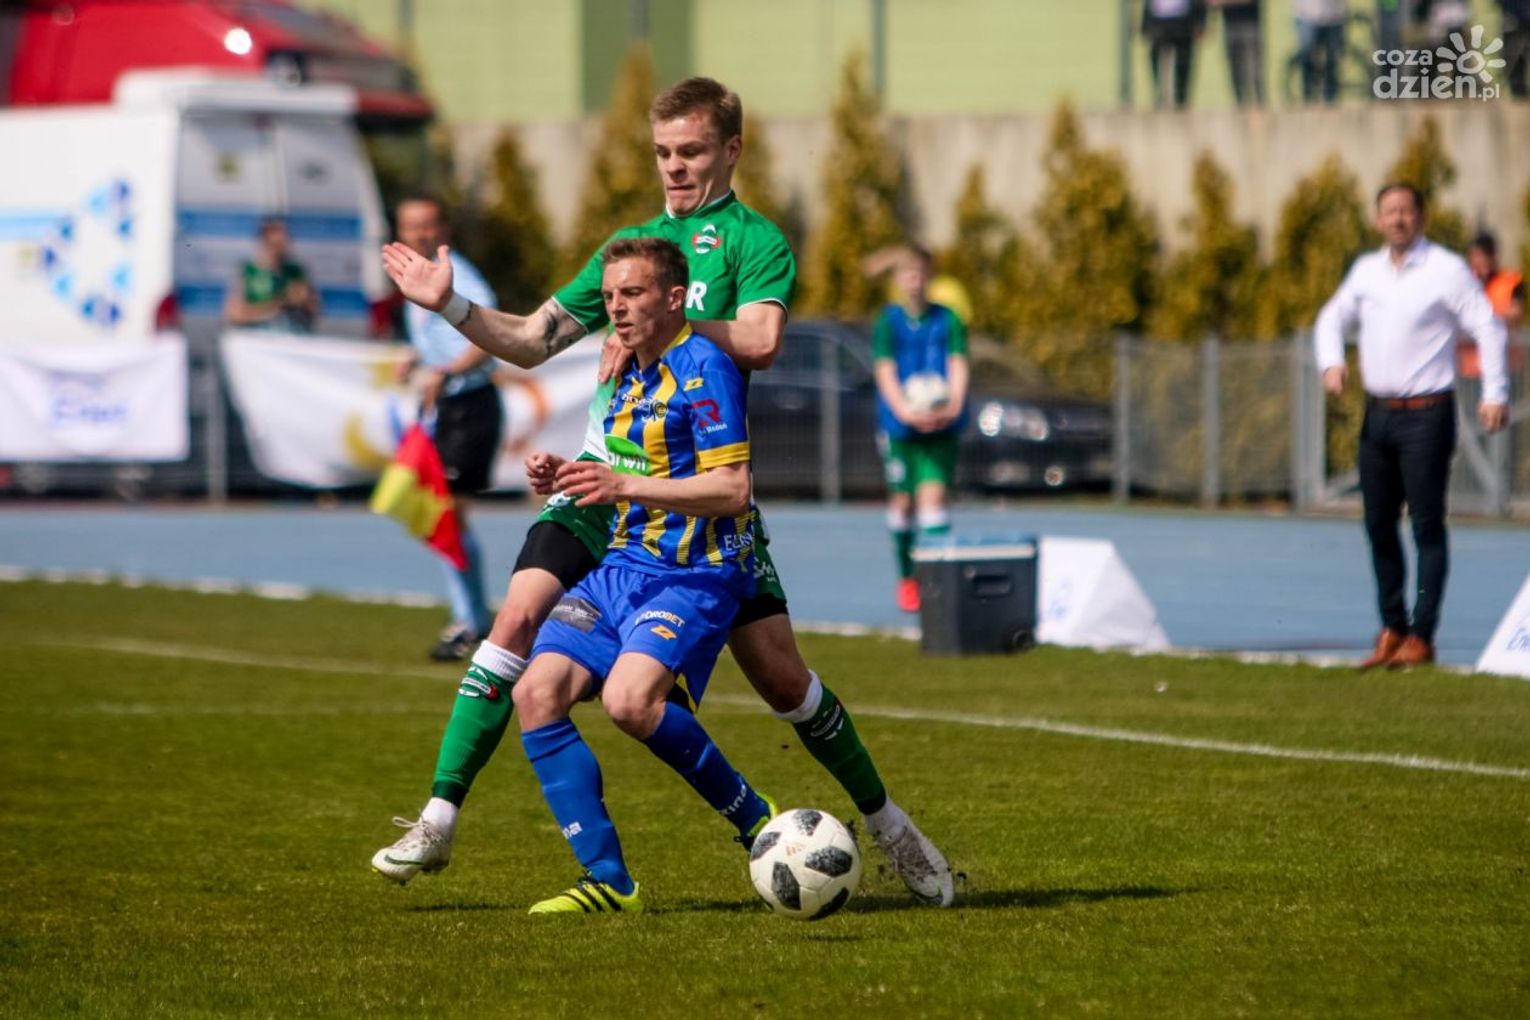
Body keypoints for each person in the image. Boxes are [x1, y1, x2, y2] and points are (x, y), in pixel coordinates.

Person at [374, 77, 954, 907]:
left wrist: (663, 327)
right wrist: (453, 306)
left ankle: (889, 824)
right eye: (662, 153)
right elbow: (534, 338)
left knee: (783, 680)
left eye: (690, 151)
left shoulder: (753, 241)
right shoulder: (632, 249)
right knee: (524, 631)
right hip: (611, 489)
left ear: (730, 150)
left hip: (701, 501)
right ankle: (458, 822)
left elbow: (761, 338)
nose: (674, 167)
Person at [512, 237, 775, 914]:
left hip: (696, 572)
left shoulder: (703, 368)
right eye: (609, 297)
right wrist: (564, 475)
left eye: (631, 294)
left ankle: (756, 820)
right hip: (622, 567)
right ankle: (608, 880)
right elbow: (619, 466)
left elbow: (733, 489)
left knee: (631, 702)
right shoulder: (626, 372)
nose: (616, 309)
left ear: (674, 297)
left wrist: (623, 484)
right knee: (535, 692)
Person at [1314, 183, 1510, 670]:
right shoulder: (1366, 272)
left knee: (1425, 525)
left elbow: (1487, 326)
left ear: (1420, 217)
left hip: (1427, 413)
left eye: (1406, 211)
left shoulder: (1446, 270)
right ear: (1378, 220)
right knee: (1378, 524)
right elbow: (1330, 319)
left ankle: (1422, 636)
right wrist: (1331, 362)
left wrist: (1495, 392)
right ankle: (1392, 628)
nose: (1398, 219)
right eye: (1389, 212)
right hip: (1378, 414)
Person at [393, 194, 502, 661]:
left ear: (444, 230)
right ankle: (473, 617)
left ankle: (472, 620)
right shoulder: (414, 276)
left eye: (428, 225)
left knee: (449, 515)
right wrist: (416, 357)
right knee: (436, 515)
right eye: (410, 227)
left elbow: (488, 334)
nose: (419, 235)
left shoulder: (458, 275)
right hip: (447, 409)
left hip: (470, 407)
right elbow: (440, 335)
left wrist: (448, 372)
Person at [872, 246, 970, 614]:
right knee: (903, 502)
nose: (914, 281)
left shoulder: (949, 319)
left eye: (920, 273)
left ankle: (935, 584)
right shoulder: (888, 322)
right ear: (898, 279)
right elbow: (885, 371)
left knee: (934, 499)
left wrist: (953, 405)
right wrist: (905, 411)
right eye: (907, 274)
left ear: (930, 276)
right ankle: (907, 576)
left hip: (942, 425)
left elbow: (958, 363)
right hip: (900, 428)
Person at [223, 215, 319, 332]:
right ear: (265, 239)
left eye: (286, 235)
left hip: (292, 335)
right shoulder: (248, 272)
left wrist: (305, 302)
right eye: (279, 235)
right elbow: (234, 315)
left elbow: (313, 310)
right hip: (256, 336)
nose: (285, 240)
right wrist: (278, 304)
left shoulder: (296, 272)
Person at [1143, 0, 1208, 109]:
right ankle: (1160, 98)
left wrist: (1200, 21)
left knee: (1183, 62)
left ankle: (1181, 100)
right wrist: (1146, 23)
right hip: (1158, 20)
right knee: (1156, 59)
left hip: (1184, 20)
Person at [1292, 0, 1348, 104]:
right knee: (1306, 57)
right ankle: (1308, 96)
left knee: (1332, 60)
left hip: (1334, 16)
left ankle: (1330, 98)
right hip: (1307, 15)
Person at [1466, 232, 1524, 332]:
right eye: (1477, 256)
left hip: (1503, 336)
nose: (1481, 260)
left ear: (1494, 256)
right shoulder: (1466, 282)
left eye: (1486, 255)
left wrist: (1485, 315)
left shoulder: (1510, 281)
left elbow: (1515, 313)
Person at [1216, 0, 1265, 106]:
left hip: (1250, 25)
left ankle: (1259, 104)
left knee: (1254, 69)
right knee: (1235, 68)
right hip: (1230, 26)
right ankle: (1240, 104)